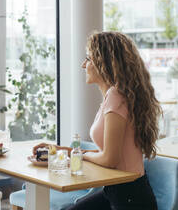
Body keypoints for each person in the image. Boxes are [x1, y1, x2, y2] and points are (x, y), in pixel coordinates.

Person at [34, 31, 161, 210]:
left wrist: (82, 155)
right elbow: (108, 151)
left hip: (130, 199)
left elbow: (110, 158)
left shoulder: (116, 97)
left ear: (105, 63)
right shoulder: (116, 96)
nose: (83, 65)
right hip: (120, 192)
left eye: (89, 59)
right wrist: (63, 151)